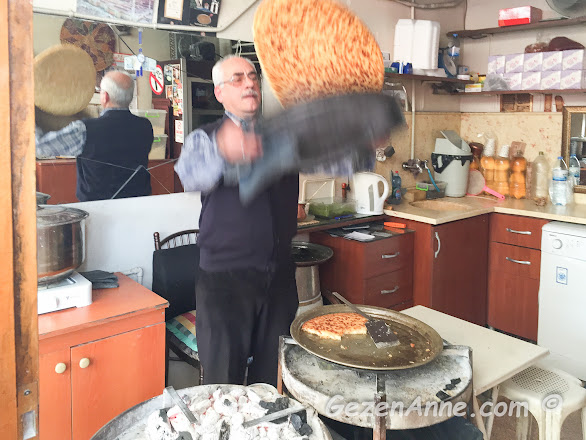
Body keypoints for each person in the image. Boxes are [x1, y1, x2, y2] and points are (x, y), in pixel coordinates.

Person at [175, 55, 300, 387]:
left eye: (253, 77)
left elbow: (328, 157)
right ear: (219, 93)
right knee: (223, 381)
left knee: (273, 375)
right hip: (225, 280)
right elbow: (191, 177)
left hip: (279, 275)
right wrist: (222, 150)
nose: (249, 83)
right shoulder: (206, 137)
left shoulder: (283, 136)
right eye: (238, 78)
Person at [36, 70, 153, 202]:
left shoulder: (85, 129)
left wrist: (30, 111)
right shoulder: (145, 126)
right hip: (138, 206)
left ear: (105, 97)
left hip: (99, 211)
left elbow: (40, 146)